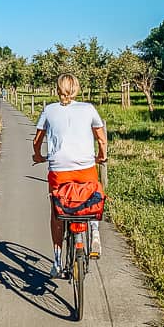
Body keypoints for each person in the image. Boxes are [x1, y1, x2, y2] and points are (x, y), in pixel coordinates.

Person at [32, 73, 107, 278]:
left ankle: (57, 262)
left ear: (58, 89)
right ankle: (95, 232)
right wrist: (101, 156)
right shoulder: (89, 109)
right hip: (85, 167)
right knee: (92, 196)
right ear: (77, 89)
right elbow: (101, 139)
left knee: (57, 211)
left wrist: (38, 156)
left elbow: (37, 141)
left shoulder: (49, 110)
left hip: (59, 170)